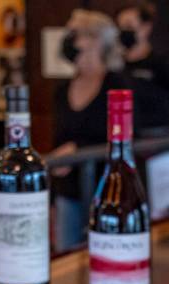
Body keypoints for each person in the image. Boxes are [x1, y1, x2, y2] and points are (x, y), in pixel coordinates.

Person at [51, 9, 138, 252]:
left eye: (74, 34)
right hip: (69, 192)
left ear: (95, 39)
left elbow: (129, 137)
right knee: (66, 258)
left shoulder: (117, 85)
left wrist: (80, 151)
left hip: (107, 192)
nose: (69, 40)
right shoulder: (62, 90)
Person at [115, 2, 169, 135]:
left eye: (129, 26)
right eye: (120, 27)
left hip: (156, 139)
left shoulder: (160, 63)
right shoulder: (116, 65)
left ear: (145, 28)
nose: (123, 32)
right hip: (127, 136)